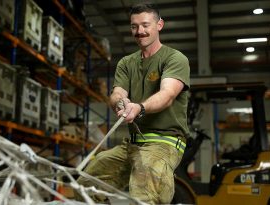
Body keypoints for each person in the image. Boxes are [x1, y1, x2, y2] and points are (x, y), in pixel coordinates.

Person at [76, 2, 190, 204]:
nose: (140, 31)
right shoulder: (126, 63)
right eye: (134, 26)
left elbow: (167, 94)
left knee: (144, 191)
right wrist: (121, 103)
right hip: (133, 143)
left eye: (145, 25)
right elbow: (117, 93)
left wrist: (139, 107)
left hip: (164, 142)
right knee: (87, 182)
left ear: (159, 25)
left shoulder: (174, 58)